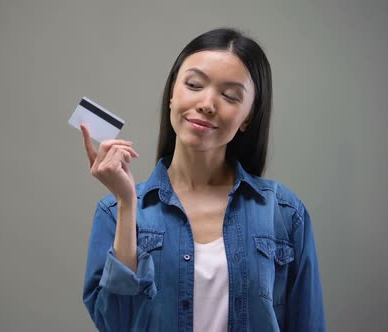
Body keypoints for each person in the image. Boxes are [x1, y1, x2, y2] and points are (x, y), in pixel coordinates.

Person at [80, 27, 326, 331]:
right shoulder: (114, 212)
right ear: (172, 93)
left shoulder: (285, 213)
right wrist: (127, 203)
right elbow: (114, 323)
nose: (207, 104)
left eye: (229, 95)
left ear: (249, 116)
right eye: (194, 84)